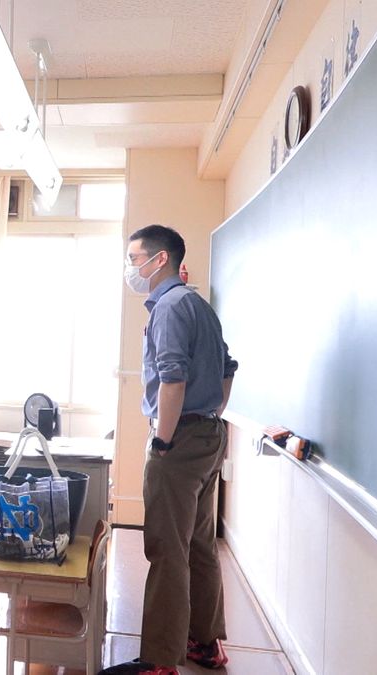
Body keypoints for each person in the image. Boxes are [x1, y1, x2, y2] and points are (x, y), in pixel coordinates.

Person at [99, 225, 238, 675]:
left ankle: (161, 660)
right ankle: (206, 643)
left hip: (179, 442)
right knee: (198, 543)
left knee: (166, 547)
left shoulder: (170, 306)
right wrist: (210, 414)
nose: (130, 266)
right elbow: (228, 369)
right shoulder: (199, 304)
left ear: (160, 260)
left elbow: (172, 378)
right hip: (209, 435)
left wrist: (163, 438)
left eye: (134, 256)